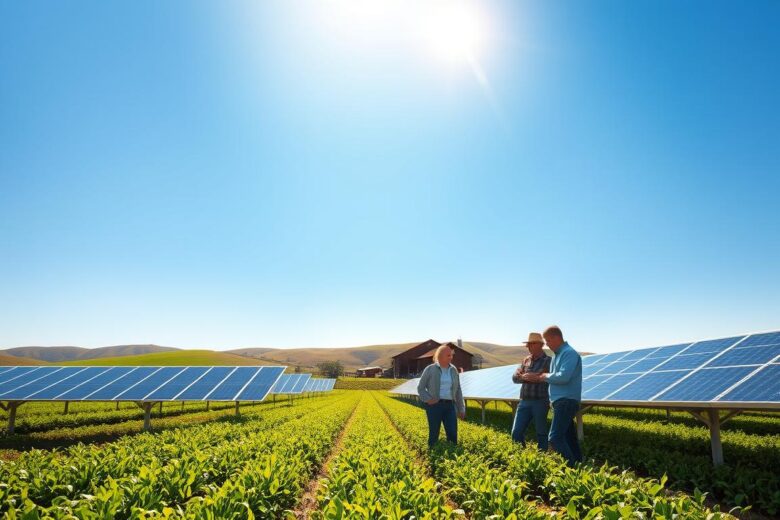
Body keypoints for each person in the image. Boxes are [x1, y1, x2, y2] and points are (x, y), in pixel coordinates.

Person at [521, 325, 582, 466]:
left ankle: (572, 470)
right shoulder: (557, 355)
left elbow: (563, 377)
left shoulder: (569, 353)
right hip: (559, 401)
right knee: (569, 437)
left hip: (566, 401)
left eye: (548, 341)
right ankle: (579, 464)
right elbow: (554, 379)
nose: (546, 344)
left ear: (556, 338)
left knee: (554, 438)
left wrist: (543, 377)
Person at [417, 344, 467, 448]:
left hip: (450, 406)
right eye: (448, 355)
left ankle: (452, 458)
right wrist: (428, 399)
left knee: (453, 433)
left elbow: (458, 390)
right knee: (434, 434)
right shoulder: (430, 369)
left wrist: (461, 408)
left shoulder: (453, 370)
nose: (451, 357)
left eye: (451, 355)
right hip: (434, 406)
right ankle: (432, 456)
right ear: (440, 356)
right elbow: (420, 388)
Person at [511, 332, 551, 449]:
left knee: (541, 433)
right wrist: (524, 377)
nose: (528, 346)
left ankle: (542, 458)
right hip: (524, 401)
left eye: (531, 344)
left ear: (540, 345)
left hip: (540, 401)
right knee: (516, 432)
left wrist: (537, 378)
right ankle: (522, 456)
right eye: (528, 344)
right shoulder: (525, 361)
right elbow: (514, 377)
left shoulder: (549, 361)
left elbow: (550, 378)